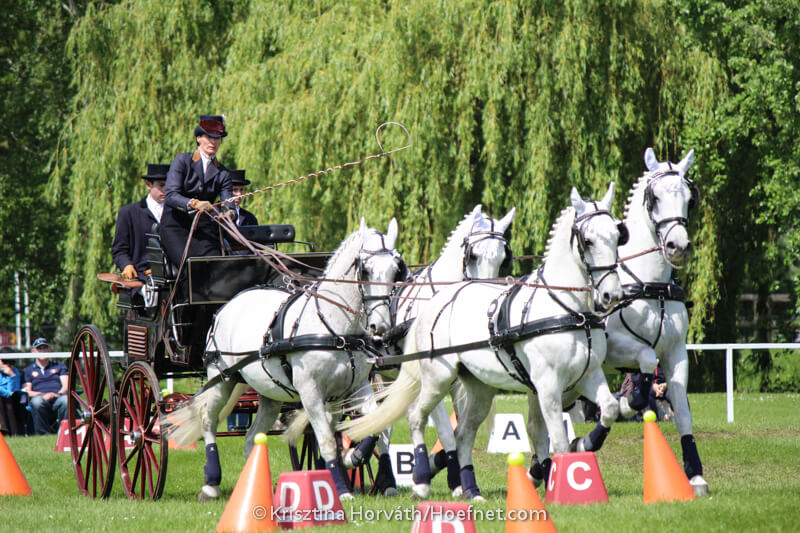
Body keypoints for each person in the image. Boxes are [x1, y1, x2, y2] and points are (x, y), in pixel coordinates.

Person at [159, 114, 234, 268]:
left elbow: (229, 203)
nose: (213, 142)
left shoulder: (223, 173)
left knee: (217, 266)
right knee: (190, 266)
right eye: (209, 137)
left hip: (203, 229)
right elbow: (171, 195)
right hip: (175, 227)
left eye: (217, 138)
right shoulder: (182, 161)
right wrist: (194, 203)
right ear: (199, 138)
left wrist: (228, 214)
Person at [111, 163, 168, 281]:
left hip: (173, 277)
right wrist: (126, 265)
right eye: (161, 185)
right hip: (140, 278)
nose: (166, 190)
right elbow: (119, 250)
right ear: (148, 185)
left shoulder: (178, 213)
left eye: (169, 185)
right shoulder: (128, 213)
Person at [22, 338, 68, 434]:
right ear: (33, 352)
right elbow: (27, 391)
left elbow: (66, 386)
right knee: (37, 402)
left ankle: (64, 432)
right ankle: (43, 434)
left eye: (45, 348)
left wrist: (57, 394)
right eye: (39, 349)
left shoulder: (59, 366)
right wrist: (43, 395)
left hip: (58, 397)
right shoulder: (28, 370)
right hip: (40, 398)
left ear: (50, 350)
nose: (42, 351)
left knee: (66, 400)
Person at [0, 348, 24, 436]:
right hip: (3, 396)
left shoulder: (14, 371)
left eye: (10, 363)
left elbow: (14, 390)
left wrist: (11, 375)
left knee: (11, 399)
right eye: (4, 362)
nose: (8, 366)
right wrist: (7, 394)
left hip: (11, 399)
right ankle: (4, 429)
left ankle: (14, 432)